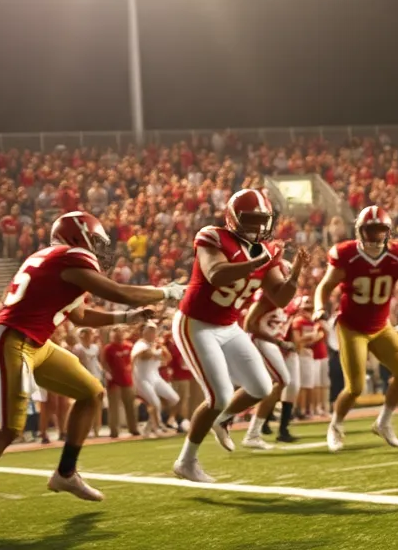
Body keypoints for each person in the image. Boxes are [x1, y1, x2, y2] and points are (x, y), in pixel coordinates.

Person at [0, 211, 182, 534]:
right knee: (9, 427)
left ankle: (66, 473)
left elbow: (80, 316)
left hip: (36, 343)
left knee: (91, 392)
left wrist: (127, 318)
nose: (99, 249)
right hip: (11, 339)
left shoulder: (56, 261)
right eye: (95, 241)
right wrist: (168, 291)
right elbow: (121, 292)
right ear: (77, 236)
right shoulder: (69, 257)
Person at [171, 190, 303, 484]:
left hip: (229, 326)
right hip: (196, 323)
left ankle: (221, 419)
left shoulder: (266, 251)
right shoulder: (213, 236)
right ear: (233, 218)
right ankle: (186, 461)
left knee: (261, 386)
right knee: (218, 395)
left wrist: (294, 276)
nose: (258, 226)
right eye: (251, 219)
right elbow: (216, 274)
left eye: (262, 220)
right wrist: (256, 263)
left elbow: (281, 298)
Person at [314, 206, 398, 451]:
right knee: (355, 387)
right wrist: (319, 307)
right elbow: (325, 285)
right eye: (370, 231)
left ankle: (383, 421)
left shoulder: (396, 253)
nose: (374, 236)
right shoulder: (347, 254)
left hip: (382, 327)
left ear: (388, 232)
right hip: (352, 327)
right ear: (359, 231)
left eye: (379, 230)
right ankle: (335, 425)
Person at [241, 251, 310, 448]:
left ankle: (248, 426)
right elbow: (249, 324)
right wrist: (279, 343)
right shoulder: (267, 296)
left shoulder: (289, 301)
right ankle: (251, 429)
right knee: (278, 381)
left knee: (270, 385)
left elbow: (286, 325)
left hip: (275, 343)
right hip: (263, 341)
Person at [131, 322, 179, 438]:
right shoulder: (140, 344)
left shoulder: (156, 344)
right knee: (155, 403)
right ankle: (157, 428)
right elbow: (142, 356)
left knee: (174, 399)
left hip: (155, 376)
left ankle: (148, 428)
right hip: (142, 378)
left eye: (153, 331)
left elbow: (168, 358)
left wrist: (161, 347)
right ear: (143, 332)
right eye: (149, 331)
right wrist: (154, 350)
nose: (152, 333)